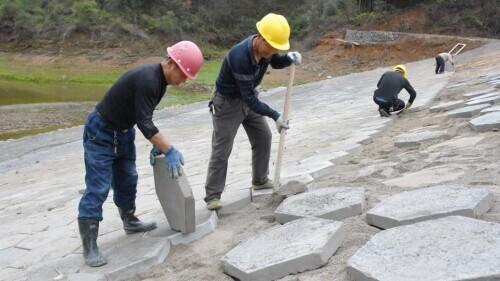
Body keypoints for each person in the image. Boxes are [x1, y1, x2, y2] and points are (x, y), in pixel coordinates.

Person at [77, 41, 204, 267]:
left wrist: (157, 144)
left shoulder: (160, 81)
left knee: (128, 178)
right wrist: (168, 149)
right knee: (98, 186)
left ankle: (129, 220)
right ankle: (89, 246)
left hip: (124, 132)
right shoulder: (149, 80)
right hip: (101, 131)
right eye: (184, 75)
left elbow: (141, 116)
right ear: (173, 64)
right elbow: (145, 123)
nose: (184, 81)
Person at [203, 13, 302, 210]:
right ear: (260, 37)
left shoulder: (266, 48)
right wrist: (276, 115)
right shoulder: (239, 56)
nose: (273, 50)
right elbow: (250, 99)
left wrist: (288, 58)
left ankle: (260, 179)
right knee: (222, 148)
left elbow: (274, 62)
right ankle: (212, 196)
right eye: (272, 46)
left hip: (247, 98)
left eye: (277, 47)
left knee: (263, 137)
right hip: (227, 103)